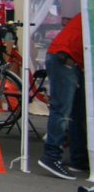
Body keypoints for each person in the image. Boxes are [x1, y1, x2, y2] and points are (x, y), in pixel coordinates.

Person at [38, 15, 88, 180]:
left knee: (77, 111)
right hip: (64, 59)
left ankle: (79, 159)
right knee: (62, 110)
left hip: (67, 59)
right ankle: (51, 157)